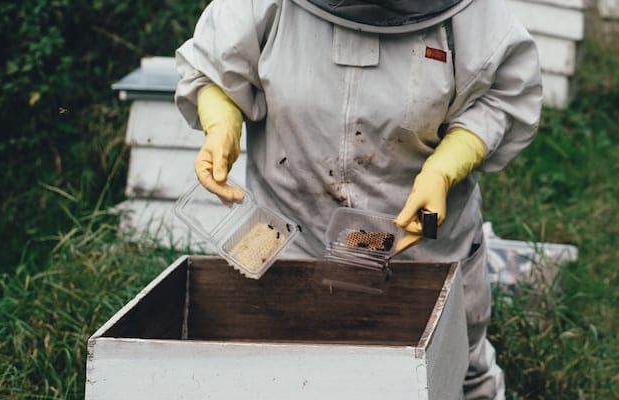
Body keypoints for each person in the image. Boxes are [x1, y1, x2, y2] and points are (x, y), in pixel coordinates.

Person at [173, 0, 542, 398]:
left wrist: (445, 168)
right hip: (291, 235)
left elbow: (501, 95)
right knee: (291, 370)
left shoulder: (473, 16)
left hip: (417, 243)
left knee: (453, 367)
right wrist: (221, 123)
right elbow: (213, 65)